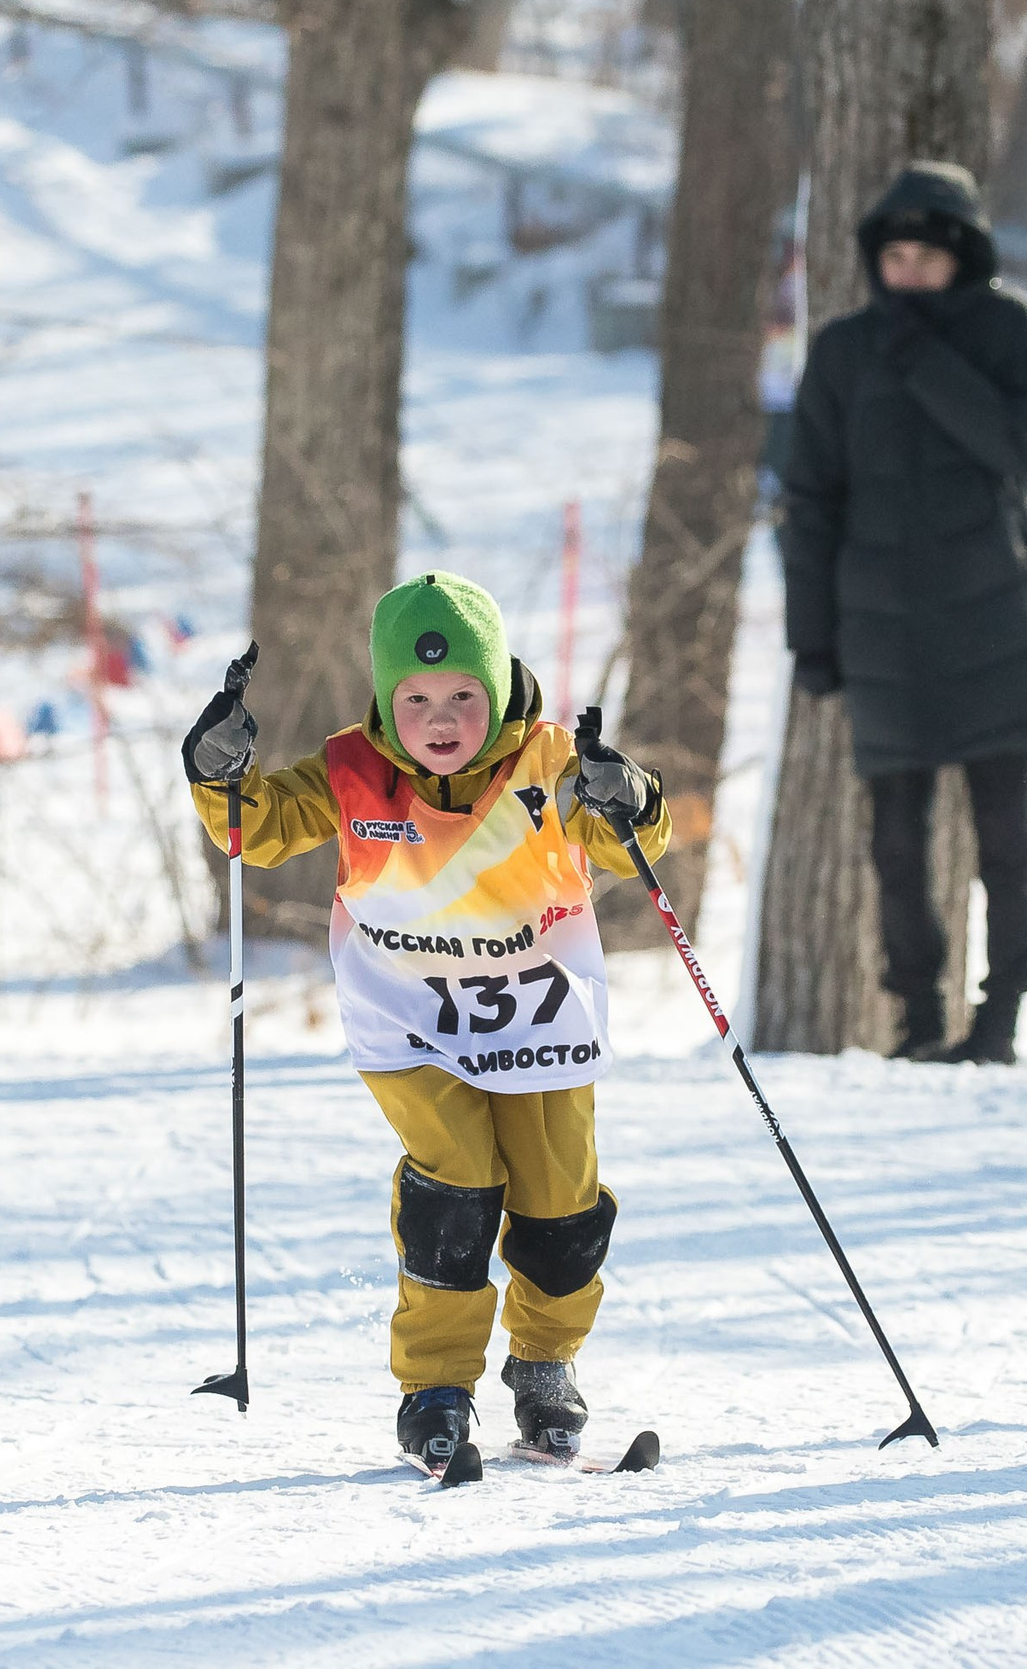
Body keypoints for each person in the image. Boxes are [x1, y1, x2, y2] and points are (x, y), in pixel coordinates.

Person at [181, 572, 669, 1478]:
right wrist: (219, 772)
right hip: (411, 1021)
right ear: (383, 699)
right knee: (457, 1189)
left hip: (538, 1018)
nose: (439, 718)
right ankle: (435, 1388)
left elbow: (628, 836)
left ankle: (545, 1361)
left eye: (461, 696)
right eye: (415, 698)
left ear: (496, 689)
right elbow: (260, 827)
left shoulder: (550, 762)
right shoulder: (351, 770)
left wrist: (625, 792)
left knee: (560, 1203)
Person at [781, 162, 1027, 1066]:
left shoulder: (1008, 330)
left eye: (926, 258)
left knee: (1005, 842)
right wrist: (811, 637)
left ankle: (1001, 1019)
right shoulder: (842, 351)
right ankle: (919, 1023)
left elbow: (1018, 448)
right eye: (893, 256)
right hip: (883, 637)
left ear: (962, 259)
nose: (907, 272)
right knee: (896, 846)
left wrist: (927, 360)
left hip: (994, 629)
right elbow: (811, 498)